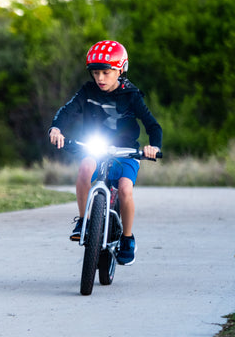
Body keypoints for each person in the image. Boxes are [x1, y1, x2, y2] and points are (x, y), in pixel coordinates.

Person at [48, 40, 162, 266]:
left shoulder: (132, 95)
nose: (100, 78)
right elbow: (67, 111)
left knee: (125, 189)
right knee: (84, 169)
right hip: (96, 148)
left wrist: (154, 146)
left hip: (126, 152)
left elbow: (152, 125)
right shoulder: (88, 91)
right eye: (96, 72)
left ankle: (127, 238)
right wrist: (56, 128)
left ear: (120, 69)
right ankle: (84, 220)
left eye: (106, 72)